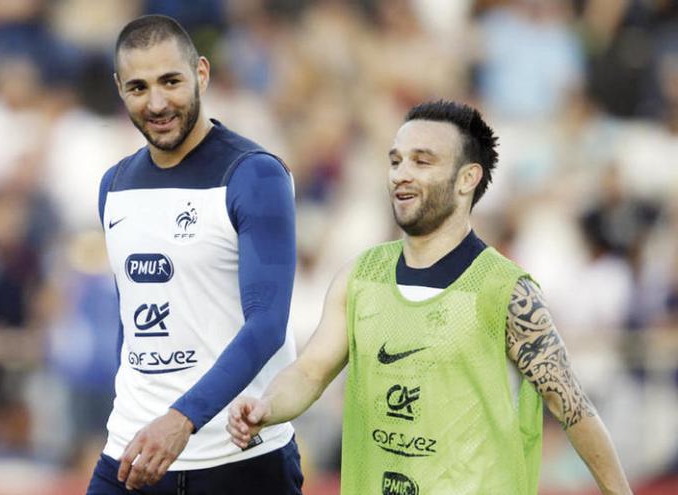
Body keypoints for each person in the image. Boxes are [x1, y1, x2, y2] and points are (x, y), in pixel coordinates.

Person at [227, 100, 633, 494]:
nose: (401, 174)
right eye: (395, 160)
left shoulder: (507, 292)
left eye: (422, 161)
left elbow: (572, 408)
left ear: (466, 179)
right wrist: (267, 407)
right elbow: (310, 373)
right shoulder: (360, 276)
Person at [86, 15, 302, 495]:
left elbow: (267, 323)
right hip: (134, 453)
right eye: (138, 87)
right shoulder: (114, 186)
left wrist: (183, 419)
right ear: (119, 89)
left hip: (239, 459)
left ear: (201, 74)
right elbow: (133, 321)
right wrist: (131, 418)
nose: (157, 102)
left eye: (171, 81)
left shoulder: (255, 175)